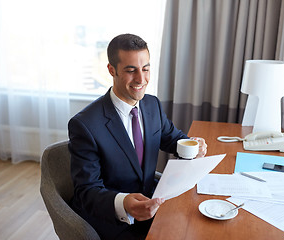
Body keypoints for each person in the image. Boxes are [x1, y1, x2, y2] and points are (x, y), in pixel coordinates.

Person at [68, 33, 207, 240]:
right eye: (131, 70)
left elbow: (171, 138)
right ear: (111, 70)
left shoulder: (152, 105)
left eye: (146, 69)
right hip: (113, 221)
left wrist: (191, 145)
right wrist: (123, 203)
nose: (141, 79)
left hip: (154, 204)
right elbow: (86, 191)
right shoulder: (85, 125)